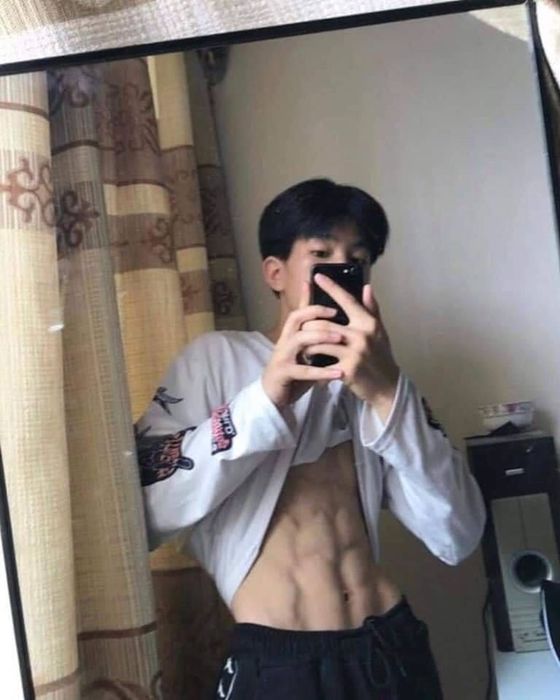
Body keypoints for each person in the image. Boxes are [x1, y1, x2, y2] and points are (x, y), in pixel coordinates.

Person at [136, 178, 486, 699]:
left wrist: (388, 394)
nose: (341, 271)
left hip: (389, 644)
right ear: (275, 273)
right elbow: (145, 513)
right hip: (281, 663)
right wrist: (267, 398)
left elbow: (459, 533)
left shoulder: (377, 381)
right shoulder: (215, 359)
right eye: (321, 255)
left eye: (357, 261)